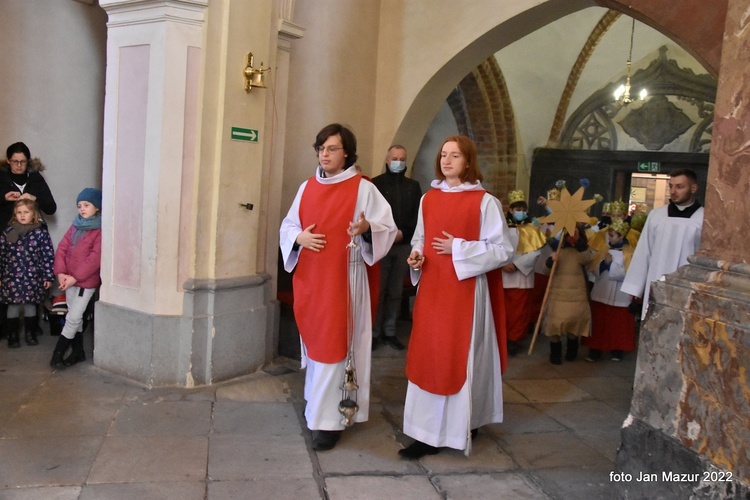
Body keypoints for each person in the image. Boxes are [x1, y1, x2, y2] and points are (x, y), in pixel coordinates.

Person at [279, 123, 396, 451]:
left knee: (334, 347)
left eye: (331, 148)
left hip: (344, 281)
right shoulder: (307, 187)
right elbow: (289, 225)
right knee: (318, 347)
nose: (325, 154)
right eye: (321, 148)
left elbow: (388, 227)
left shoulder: (363, 188)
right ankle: (317, 407)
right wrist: (298, 237)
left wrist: (367, 227)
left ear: (347, 152)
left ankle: (329, 423)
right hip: (312, 282)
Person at [400, 135, 513, 459]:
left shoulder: (484, 202)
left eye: (455, 156)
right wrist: (417, 255)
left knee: (458, 357)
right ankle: (424, 434)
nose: (447, 161)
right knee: (429, 355)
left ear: (468, 162)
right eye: (444, 155)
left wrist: (459, 248)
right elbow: (420, 237)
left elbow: (503, 250)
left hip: (466, 293)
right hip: (433, 290)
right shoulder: (428, 199)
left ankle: (462, 423)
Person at [621, 169, 703, 319]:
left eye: (679, 186)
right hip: (656, 281)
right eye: (670, 186)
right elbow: (644, 251)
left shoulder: (703, 218)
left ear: (693, 188)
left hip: (688, 286)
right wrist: (635, 291)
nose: (673, 191)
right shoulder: (657, 215)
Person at [0, 142, 57, 339]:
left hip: (33, 236)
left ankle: (32, 329)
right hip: (8, 235)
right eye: (15, 162)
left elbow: (51, 208)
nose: (19, 165)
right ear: (8, 161)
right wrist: (4, 198)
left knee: (33, 293)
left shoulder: (35, 178)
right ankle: (9, 331)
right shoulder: (2, 177)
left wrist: (35, 198)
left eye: (23, 162)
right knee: (10, 294)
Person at [371, 145, 421, 350]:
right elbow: (373, 214)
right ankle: (374, 333)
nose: (398, 162)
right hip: (381, 244)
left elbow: (418, 215)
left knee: (395, 290)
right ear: (387, 159)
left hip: (403, 244)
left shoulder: (413, 186)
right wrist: (388, 233)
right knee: (379, 290)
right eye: (395, 158)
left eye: (402, 158)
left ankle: (390, 331)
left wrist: (403, 233)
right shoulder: (376, 184)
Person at [49, 188, 102, 369]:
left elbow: (94, 259)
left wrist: (75, 277)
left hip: (83, 283)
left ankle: (57, 354)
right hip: (68, 280)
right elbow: (62, 249)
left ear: (97, 207)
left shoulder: (99, 230)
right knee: (74, 316)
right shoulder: (75, 226)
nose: (82, 209)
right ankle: (79, 352)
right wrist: (61, 273)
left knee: (73, 317)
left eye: (87, 205)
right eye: (79, 205)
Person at [0, 200, 55, 348]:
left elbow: (47, 256)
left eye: (26, 212)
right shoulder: (8, 232)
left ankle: (30, 333)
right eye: (19, 212)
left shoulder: (40, 233)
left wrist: (48, 276)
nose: (22, 215)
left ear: (34, 214)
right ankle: (13, 335)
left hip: (33, 277)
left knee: (31, 305)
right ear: (14, 214)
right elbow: (1, 255)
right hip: (11, 277)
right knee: (13, 306)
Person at [582, 219, 636, 361]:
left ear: (621, 236)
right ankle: (595, 350)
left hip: (620, 294)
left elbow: (630, 273)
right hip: (602, 291)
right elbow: (593, 268)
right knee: (599, 323)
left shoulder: (630, 252)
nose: (609, 238)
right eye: (609, 235)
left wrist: (610, 264)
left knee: (618, 325)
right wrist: (603, 265)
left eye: (612, 236)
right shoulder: (604, 250)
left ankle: (617, 350)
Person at [501, 190, 545, 355]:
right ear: (511, 210)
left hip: (522, 277)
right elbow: (495, 247)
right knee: (503, 310)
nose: (520, 212)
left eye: (523, 209)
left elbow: (536, 251)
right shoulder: (501, 227)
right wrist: (503, 264)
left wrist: (517, 264)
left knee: (519, 312)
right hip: (502, 275)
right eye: (517, 209)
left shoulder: (532, 229)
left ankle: (514, 339)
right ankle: (501, 337)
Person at [543, 223, 592, 364]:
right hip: (558, 294)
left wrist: (578, 242)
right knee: (555, 325)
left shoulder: (582, 251)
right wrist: (550, 261)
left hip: (577, 294)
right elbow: (547, 271)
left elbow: (587, 259)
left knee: (574, 325)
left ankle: (572, 352)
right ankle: (555, 354)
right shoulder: (559, 251)